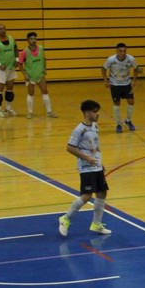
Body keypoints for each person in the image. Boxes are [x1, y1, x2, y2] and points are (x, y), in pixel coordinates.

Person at [58, 100, 112, 237]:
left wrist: (100, 163)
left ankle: (96, 224)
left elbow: (95, 146)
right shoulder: (79, 130)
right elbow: (69, 147)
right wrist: (86, 158)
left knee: (102, 193)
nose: (97, 114)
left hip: (96, 166)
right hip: (86, 167)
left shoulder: (95, 126)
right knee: (87, 196)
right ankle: (65, 219)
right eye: (95, 111)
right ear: (87, 113)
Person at [17, 31, 58, 119]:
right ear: (27, 40)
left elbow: (44, 58)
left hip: (40, 75)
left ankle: (49, 112)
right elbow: (19, 64)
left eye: (35, 38)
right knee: (30, 94)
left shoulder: (41, 48)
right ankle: (30, 112)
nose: (33, 40)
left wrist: (45, 68)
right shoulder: (24, 52)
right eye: (31, 39)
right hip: (30, 76)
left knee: (45, 92)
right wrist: (24, 74)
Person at [102, 42, 139, 133]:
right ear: (117, 51)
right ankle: (118, 124)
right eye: (121, 51)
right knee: (116, 104)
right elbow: (103, 68)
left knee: (131, 102)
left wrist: (134, 80)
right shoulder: (111, 59)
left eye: (124, 51)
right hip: (115, 85)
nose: (123, 53)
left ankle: (128, 120)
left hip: (126, 84)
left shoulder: (131, 59)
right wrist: (106, 80)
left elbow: (136, 68)